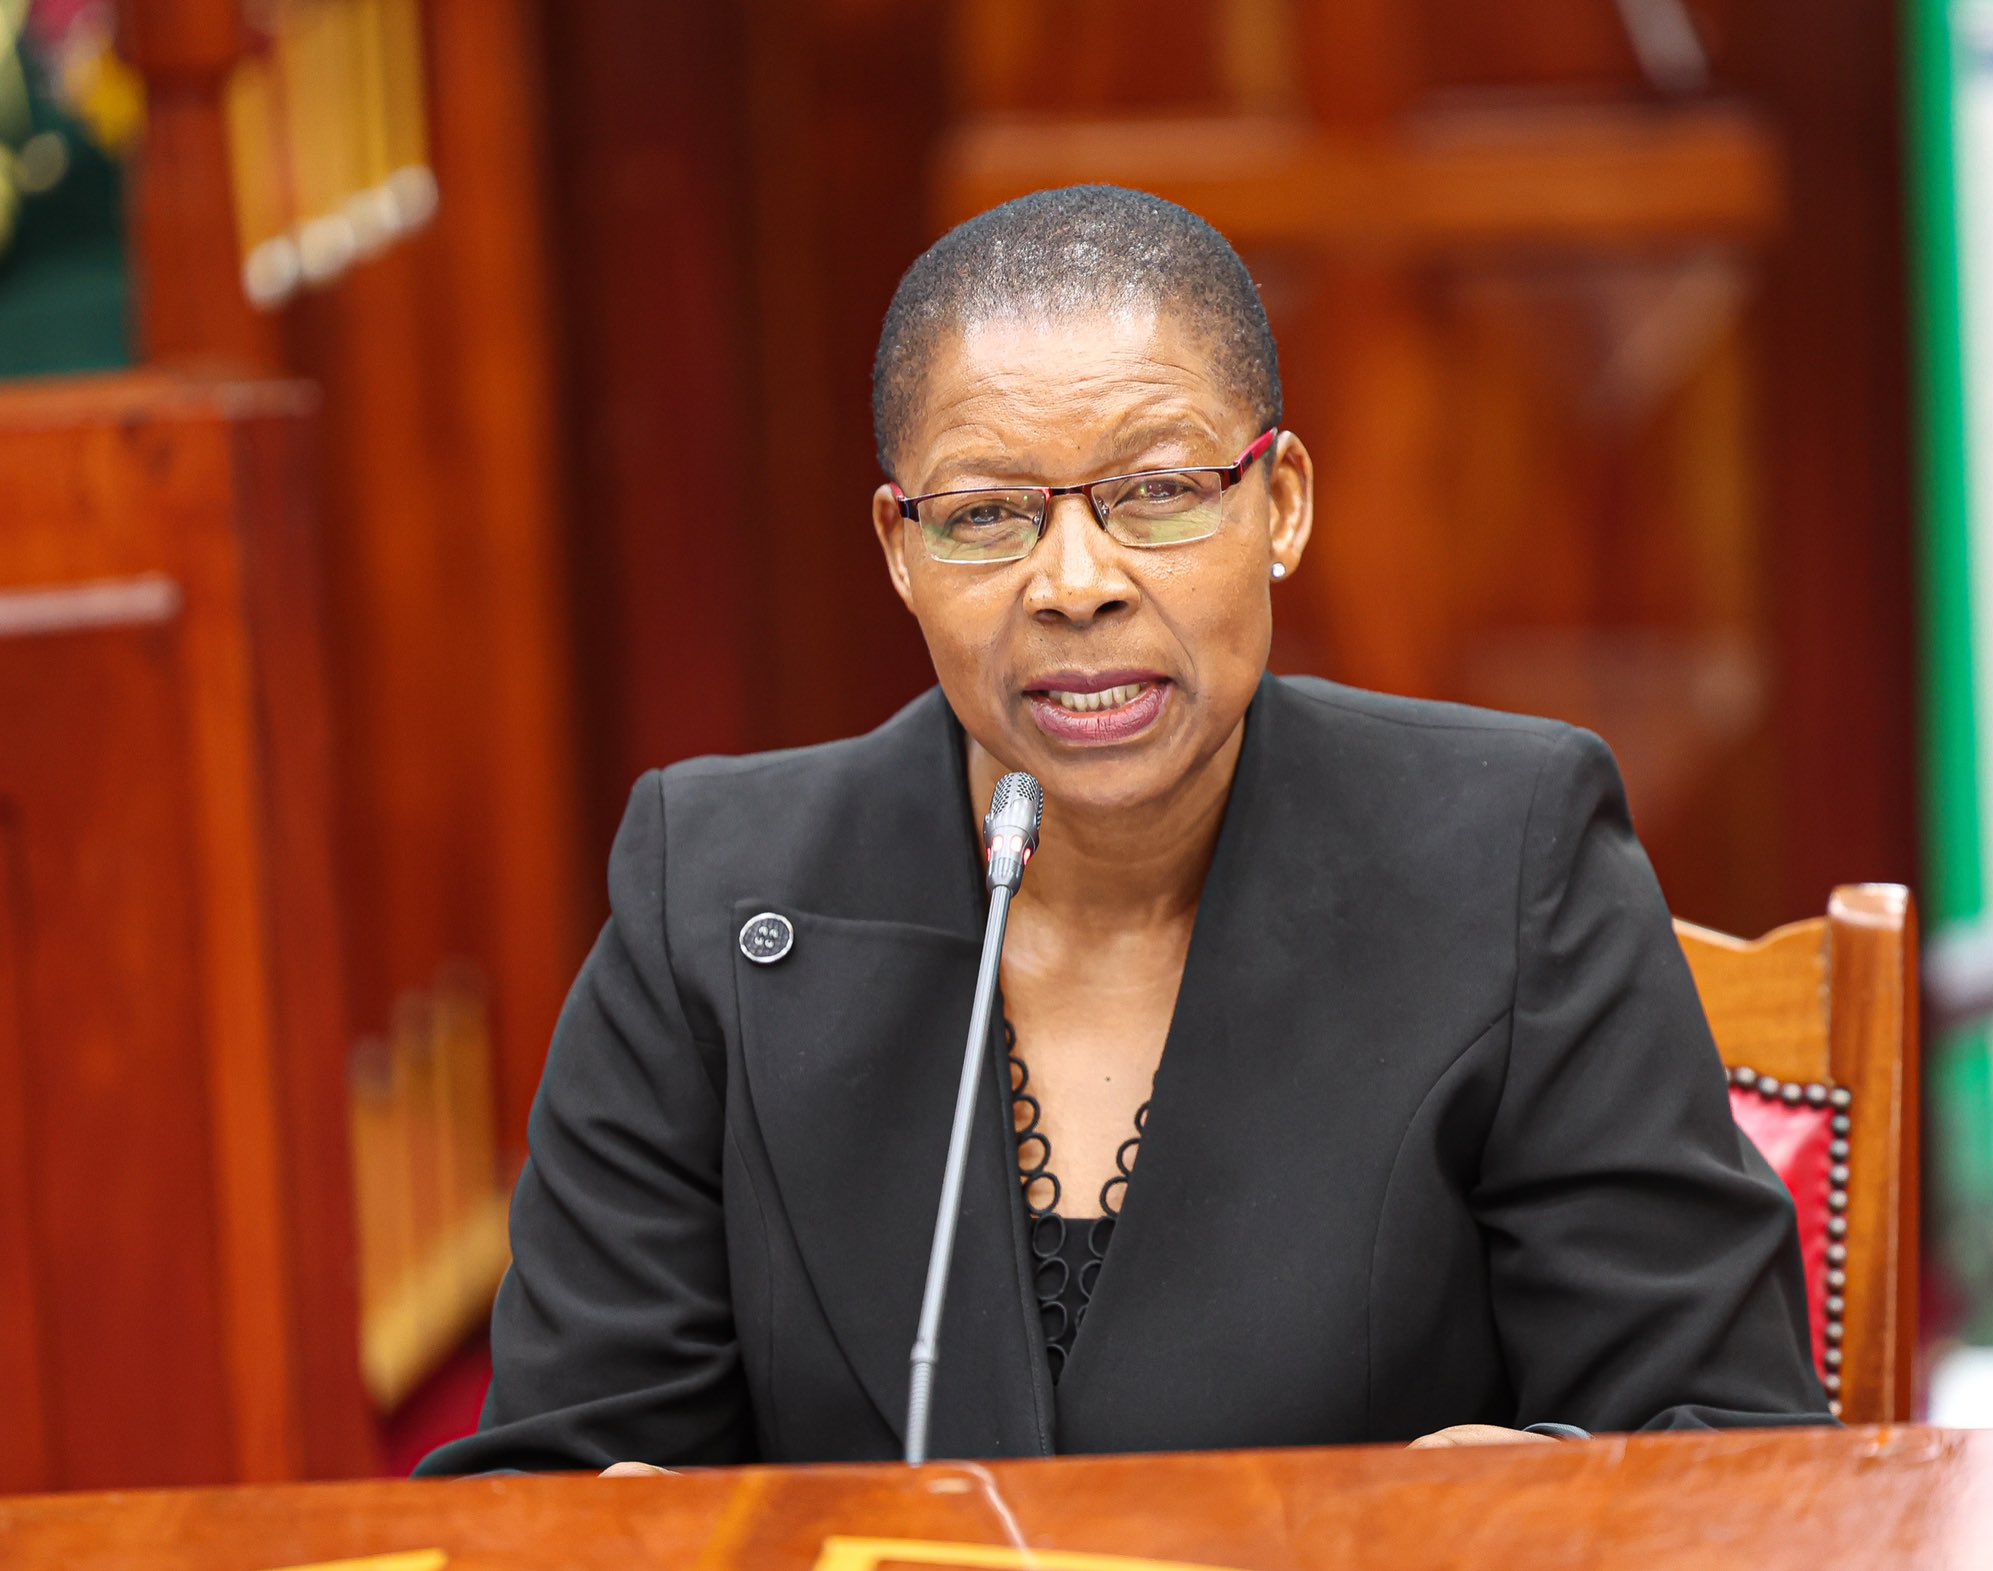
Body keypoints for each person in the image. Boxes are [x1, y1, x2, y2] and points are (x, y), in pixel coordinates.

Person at [418, 185, 1830, 1476]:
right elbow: (557, 1488)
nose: (1073, 582)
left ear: (1279, 505)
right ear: (900, 552)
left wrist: (1539, 1497)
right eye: (987, 515)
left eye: (1157, 493)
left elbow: (1731, 1448)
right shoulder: (713, 901)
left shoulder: (1507, 856)